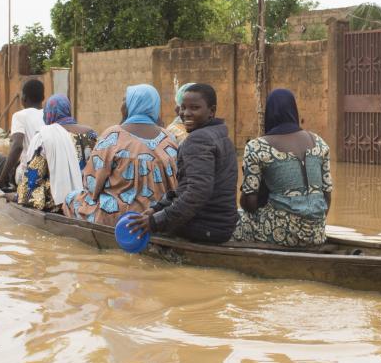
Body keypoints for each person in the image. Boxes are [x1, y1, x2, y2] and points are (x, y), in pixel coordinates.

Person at [125, 83, 237, 244]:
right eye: (183, 108)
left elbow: (197, 193)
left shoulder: (198, 140)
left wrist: (155, 222)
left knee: (138, 234)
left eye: (194, 108)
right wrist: (157, 209)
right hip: (223, 227)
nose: (186, 113)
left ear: (211, 111)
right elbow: (186, 188)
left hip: (205, 227)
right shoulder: (221, 135)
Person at [64, 84, 178, 226]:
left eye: (125, 101)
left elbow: (92, 184)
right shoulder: (169, 138)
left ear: (132, 105)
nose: (122, 106)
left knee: (70, 198)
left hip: (118, 216)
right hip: (159, 216)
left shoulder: (113, 135)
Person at [232, 88, 333, 246]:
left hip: (282, 234)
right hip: (317, 233)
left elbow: (249, 204)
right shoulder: (320, 142)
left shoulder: (257, 146)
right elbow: (326, 195)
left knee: (232, 219)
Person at [17, 94, 98, 212]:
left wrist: (20, 196)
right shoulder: (91, 133)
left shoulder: (44, 136)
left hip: (57, 202)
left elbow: (33, 176)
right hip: (88, 198)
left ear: (49, 112)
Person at [0, 79, 46, 191]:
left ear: (24, 98)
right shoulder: (49, 115)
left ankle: (2, 184)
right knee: (12, 162)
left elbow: (17, 147)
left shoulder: (19, 116)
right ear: (42, 98)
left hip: (26, 175)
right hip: (45, 174)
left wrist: (0, 179)